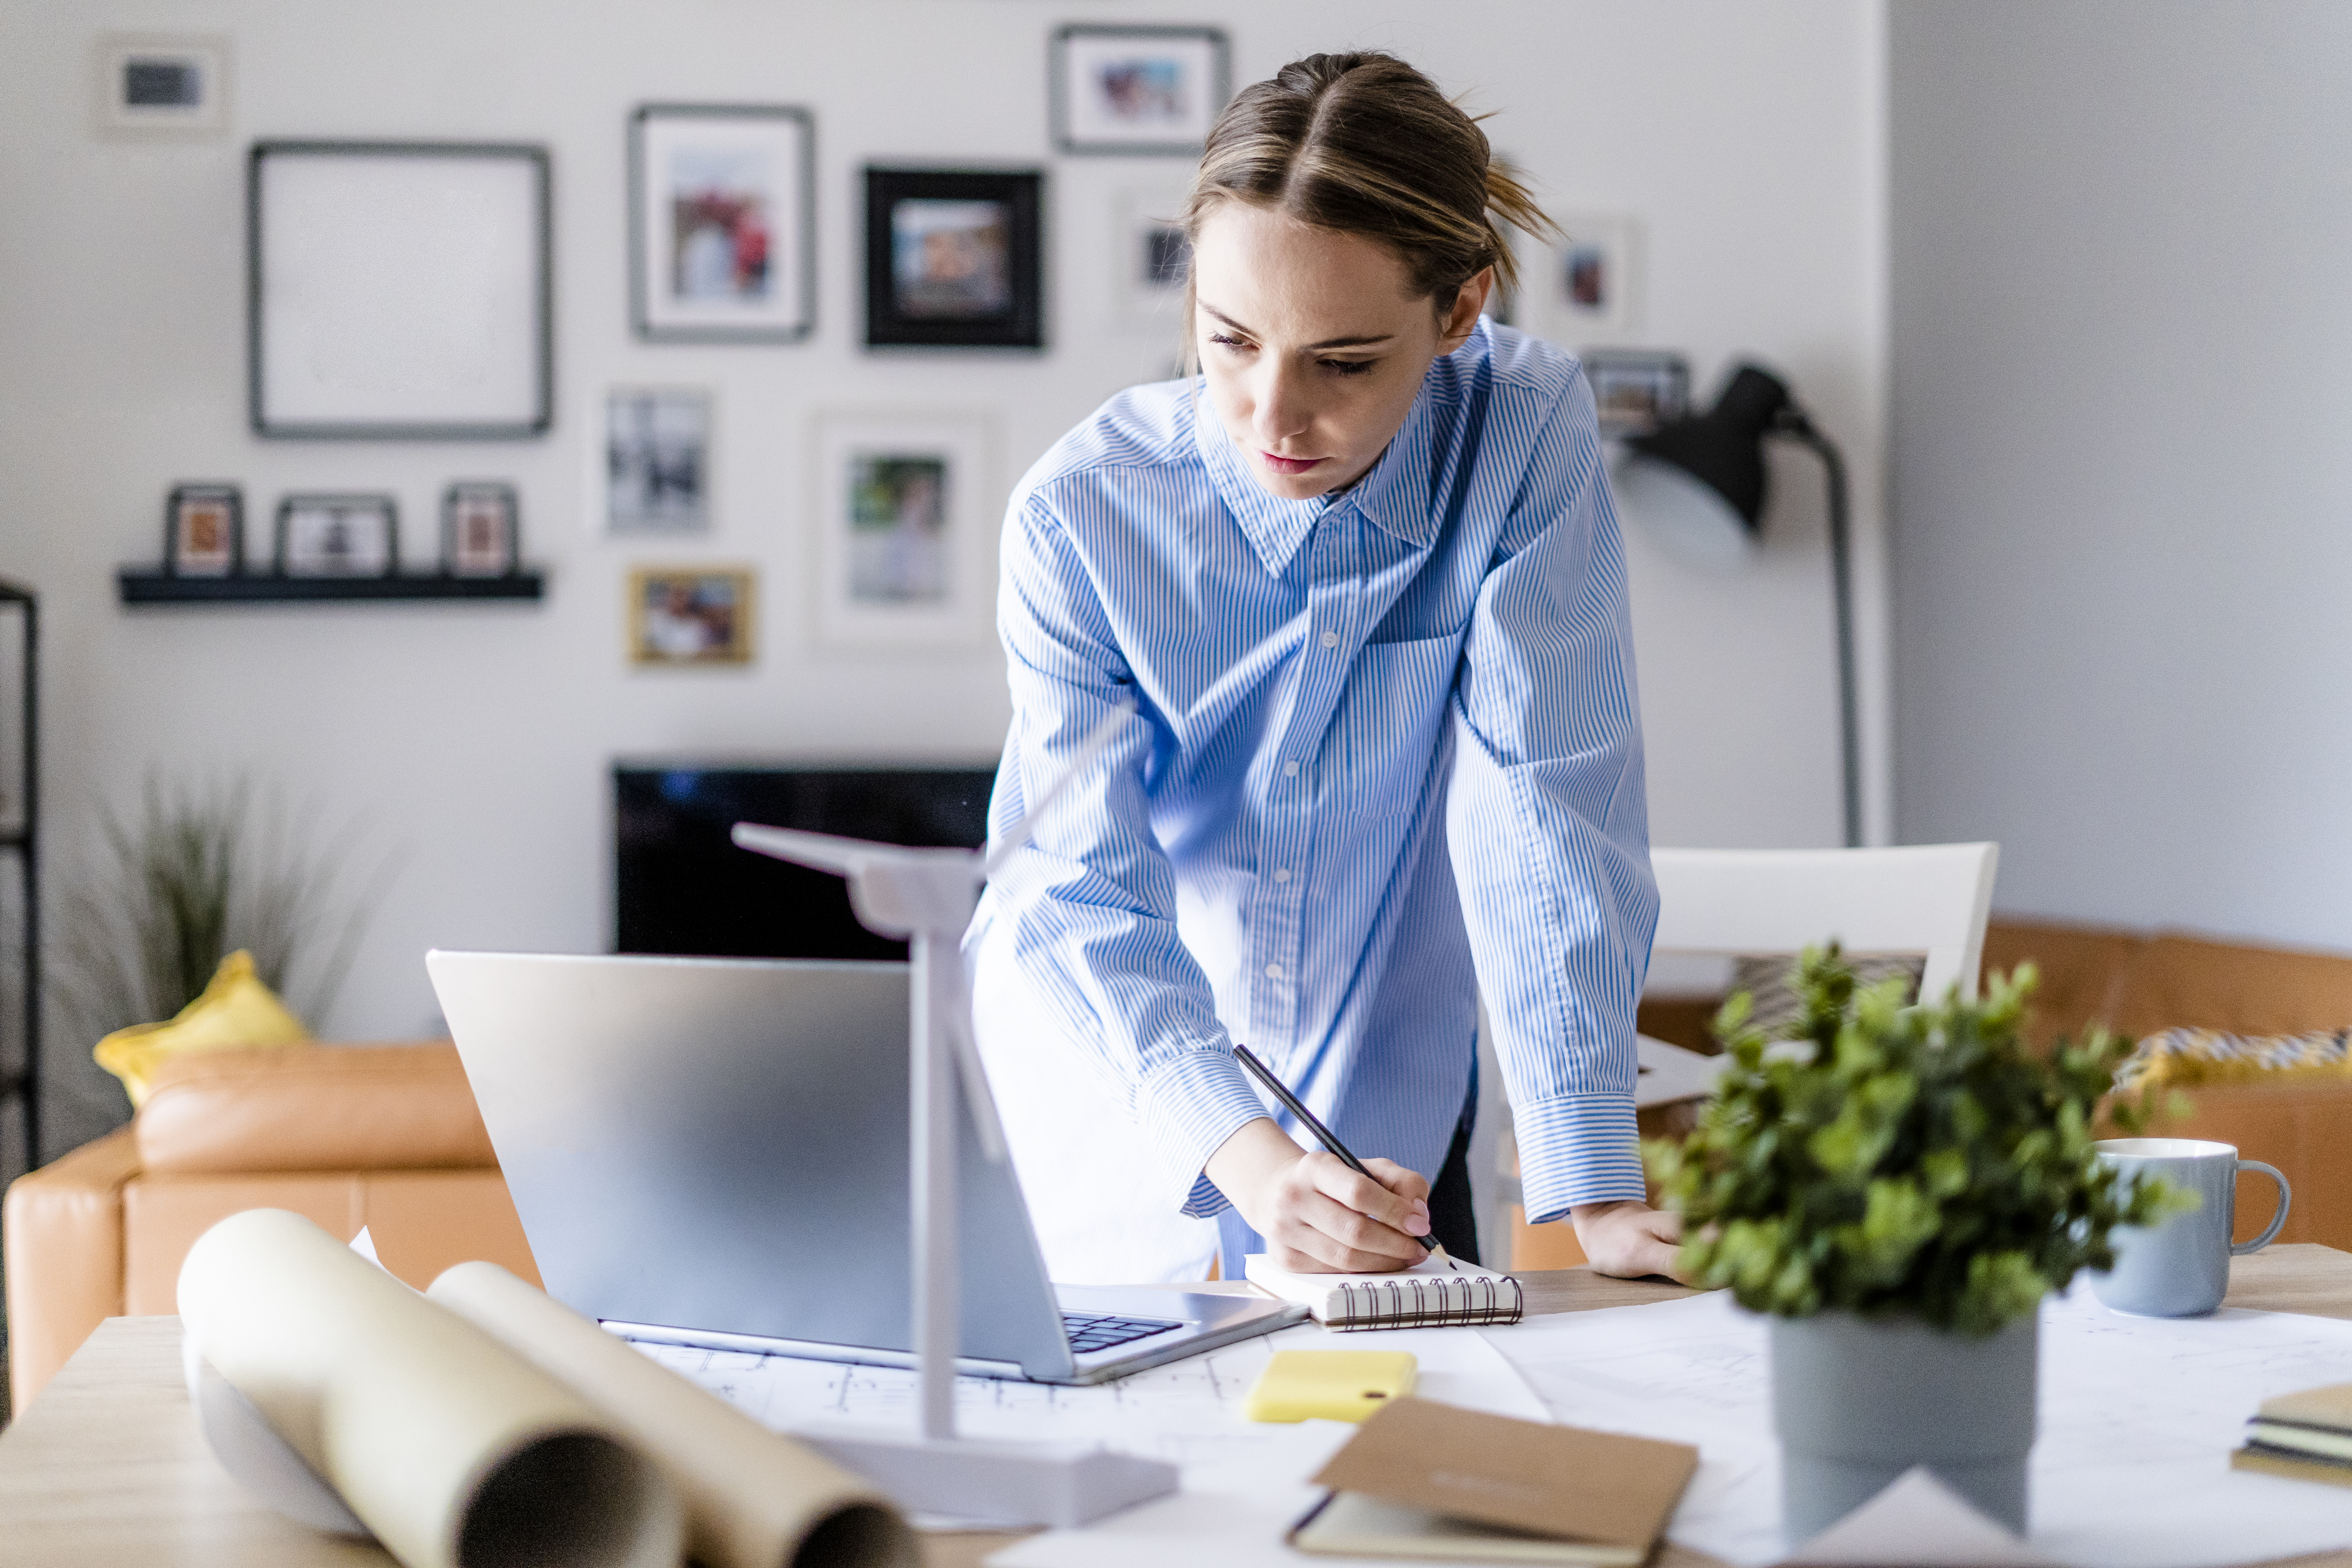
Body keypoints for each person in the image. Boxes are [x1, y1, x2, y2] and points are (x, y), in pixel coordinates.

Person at [966, 51, 1684, 1287]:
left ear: (1459, 312)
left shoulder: (1519, 431)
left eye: (1343, 363)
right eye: (1231, 341)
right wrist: (1249, 1160)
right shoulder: (1076, 519)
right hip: (1116, 1125)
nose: (1272, 418)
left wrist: (1596, 1186)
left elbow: (1546, 797)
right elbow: (1079, 889)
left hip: (1387, 1126)